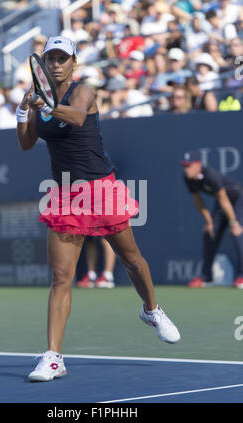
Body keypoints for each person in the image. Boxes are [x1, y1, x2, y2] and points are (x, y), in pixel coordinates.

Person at [16, 35, 180, 383]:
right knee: (61, 277)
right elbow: (26, 143)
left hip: (101, 189)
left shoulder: (84, 91)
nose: (57, 64)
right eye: (52, 59)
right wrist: (23, 110)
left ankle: (151, 310)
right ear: (44, 65)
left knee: (131, 259)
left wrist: (44, 104)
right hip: (64, 195)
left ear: (74, 63)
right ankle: (54, 357)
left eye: (63, 58)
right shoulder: (38, 97)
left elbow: (75, 118)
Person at [180, 151, 243, 289]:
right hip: (222, 202)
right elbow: (198, 200)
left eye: (189, 166)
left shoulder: (211, 176)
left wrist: (233, 222)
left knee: (238, 233)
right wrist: (209, 222)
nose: (186, 169)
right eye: (185, 166)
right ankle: (206, 276)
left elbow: (224, 199)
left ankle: (242, 276)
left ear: (198, 165)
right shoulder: (188, 178)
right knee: (210, 232)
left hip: (237, 199)